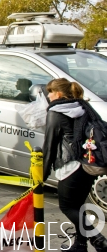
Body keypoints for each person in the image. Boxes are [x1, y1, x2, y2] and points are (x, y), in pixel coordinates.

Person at [43, 78, 107, 252]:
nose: (48, 95)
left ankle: (98, 240)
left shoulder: (56, 112)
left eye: (50, 91)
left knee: (67, 207)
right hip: (87, 163)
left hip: (70, 166)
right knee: (78, 207)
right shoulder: (81, 106)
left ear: (59, 93)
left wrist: (43, 174)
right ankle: (80, 244)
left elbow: (49, 145)